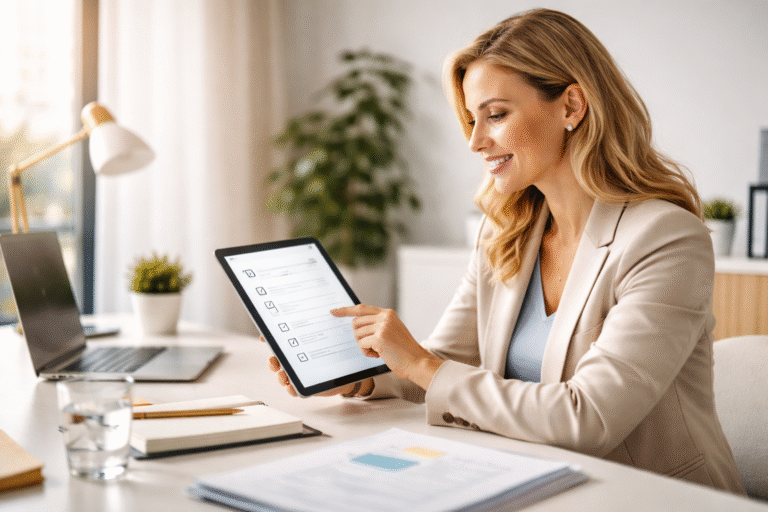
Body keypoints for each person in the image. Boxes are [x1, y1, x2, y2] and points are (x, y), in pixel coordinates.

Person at [267, 8, 746, 494]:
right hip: (534, 481)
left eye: (495, 114)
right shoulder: (507, 232)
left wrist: (420, 363)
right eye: (473, 119)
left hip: (651, 497)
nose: (476, 141)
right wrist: (361, 377)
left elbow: (588, 418)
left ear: (572, 105)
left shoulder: (665, 239)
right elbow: (445, 363)